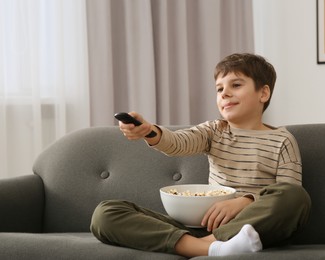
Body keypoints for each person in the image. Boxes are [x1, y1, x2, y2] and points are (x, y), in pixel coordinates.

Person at [90, 53, 311, 257]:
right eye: (219, 89)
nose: (224, 93)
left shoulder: (282, 140)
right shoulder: (214, 131)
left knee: (296, 197)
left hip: (250, 228)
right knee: (106, 213)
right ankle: (211, 248)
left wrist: (244, 201)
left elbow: (288, 194)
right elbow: (177, 142)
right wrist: (150, 131)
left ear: (263, 93)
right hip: (200, 227)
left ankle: (208, 244)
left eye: (236, 85)